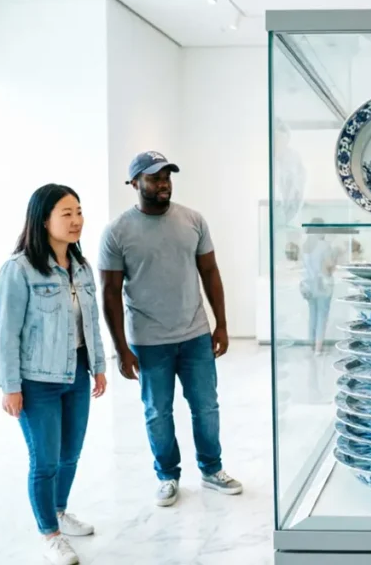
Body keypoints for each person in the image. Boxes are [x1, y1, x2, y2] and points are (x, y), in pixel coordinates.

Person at [98, 151, 242, 507]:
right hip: (148, 342)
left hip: (194, 334)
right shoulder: (117, 232)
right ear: (134, 183)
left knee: (206, 407)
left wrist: (221, 325)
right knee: (157, 412)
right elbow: (110, 294)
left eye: (167, 176)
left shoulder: (193, 220)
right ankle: (167, 476)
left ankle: (212, 470)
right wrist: (121, 348)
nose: (163, 183)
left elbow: (210, 272)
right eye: (153, 177)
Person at [0, 184, 108, 565]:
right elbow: (5, 332)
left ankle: (59, 511)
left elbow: (91, 321)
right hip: (35, 381)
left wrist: (99, 368)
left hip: (74, 373)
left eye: (79, 211)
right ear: (44, 220)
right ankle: (50, 534)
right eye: (66, 213)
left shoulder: (82, 267)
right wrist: (11, 387)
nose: (77, 221)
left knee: (70, 455)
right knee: (45, 461)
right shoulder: (19, 269)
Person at [301, 218, 338, 354]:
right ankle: (318, 348)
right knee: (322, 316)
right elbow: (328, 267)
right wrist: (336, 259)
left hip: (308, 284)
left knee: (312, 315)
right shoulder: (324, 245)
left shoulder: (305, 245)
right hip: (323, 285)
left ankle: (310, 345)